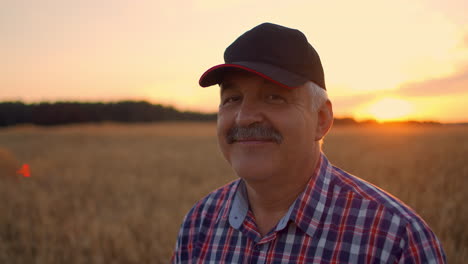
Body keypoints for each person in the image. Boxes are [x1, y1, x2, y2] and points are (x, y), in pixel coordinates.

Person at [172, 23, 446, 263]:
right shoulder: (199, 223)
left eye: (274, 97)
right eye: (232, 99)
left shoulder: (394, 240)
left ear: (321, 119)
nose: (245, 118)